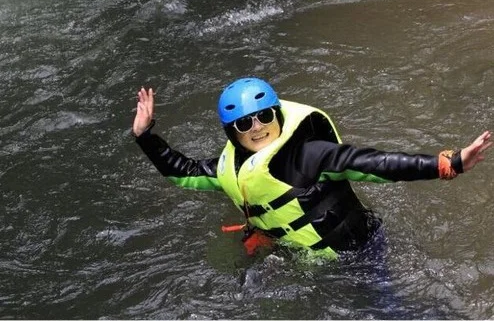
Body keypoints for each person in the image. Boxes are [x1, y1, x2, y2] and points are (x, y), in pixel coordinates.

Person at [132, 77, 492, 259]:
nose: (257, 127)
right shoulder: (231, 165)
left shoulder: (310, 154)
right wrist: (146, 135)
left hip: (356, 252)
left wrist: (448, 164)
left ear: (277, 113)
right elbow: (184, 172)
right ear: (232, 133)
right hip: (302, 255)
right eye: (244, 124)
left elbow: (376, 163)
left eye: (264, 116)